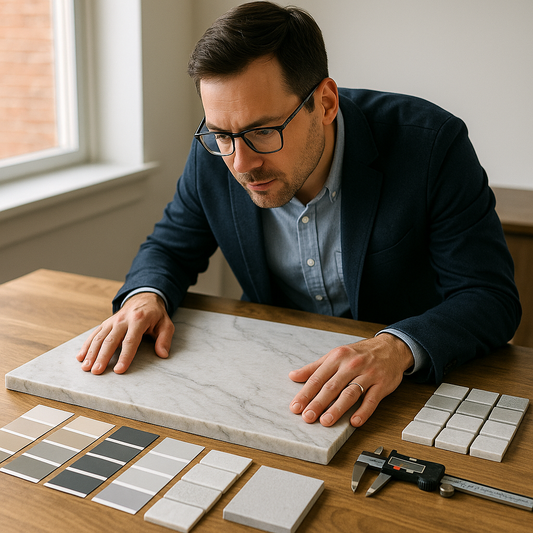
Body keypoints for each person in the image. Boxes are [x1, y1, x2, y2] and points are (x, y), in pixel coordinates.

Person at [77, 1, 520, 430]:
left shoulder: (431, 146)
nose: (241, 163)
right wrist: (144, 297)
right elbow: (170, 248)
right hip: (279, 390)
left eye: (264, 131)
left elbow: (489, 297)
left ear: (325, 103)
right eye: (222, 135)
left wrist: (395, 347)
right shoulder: (218, 155)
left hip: (411, 395)